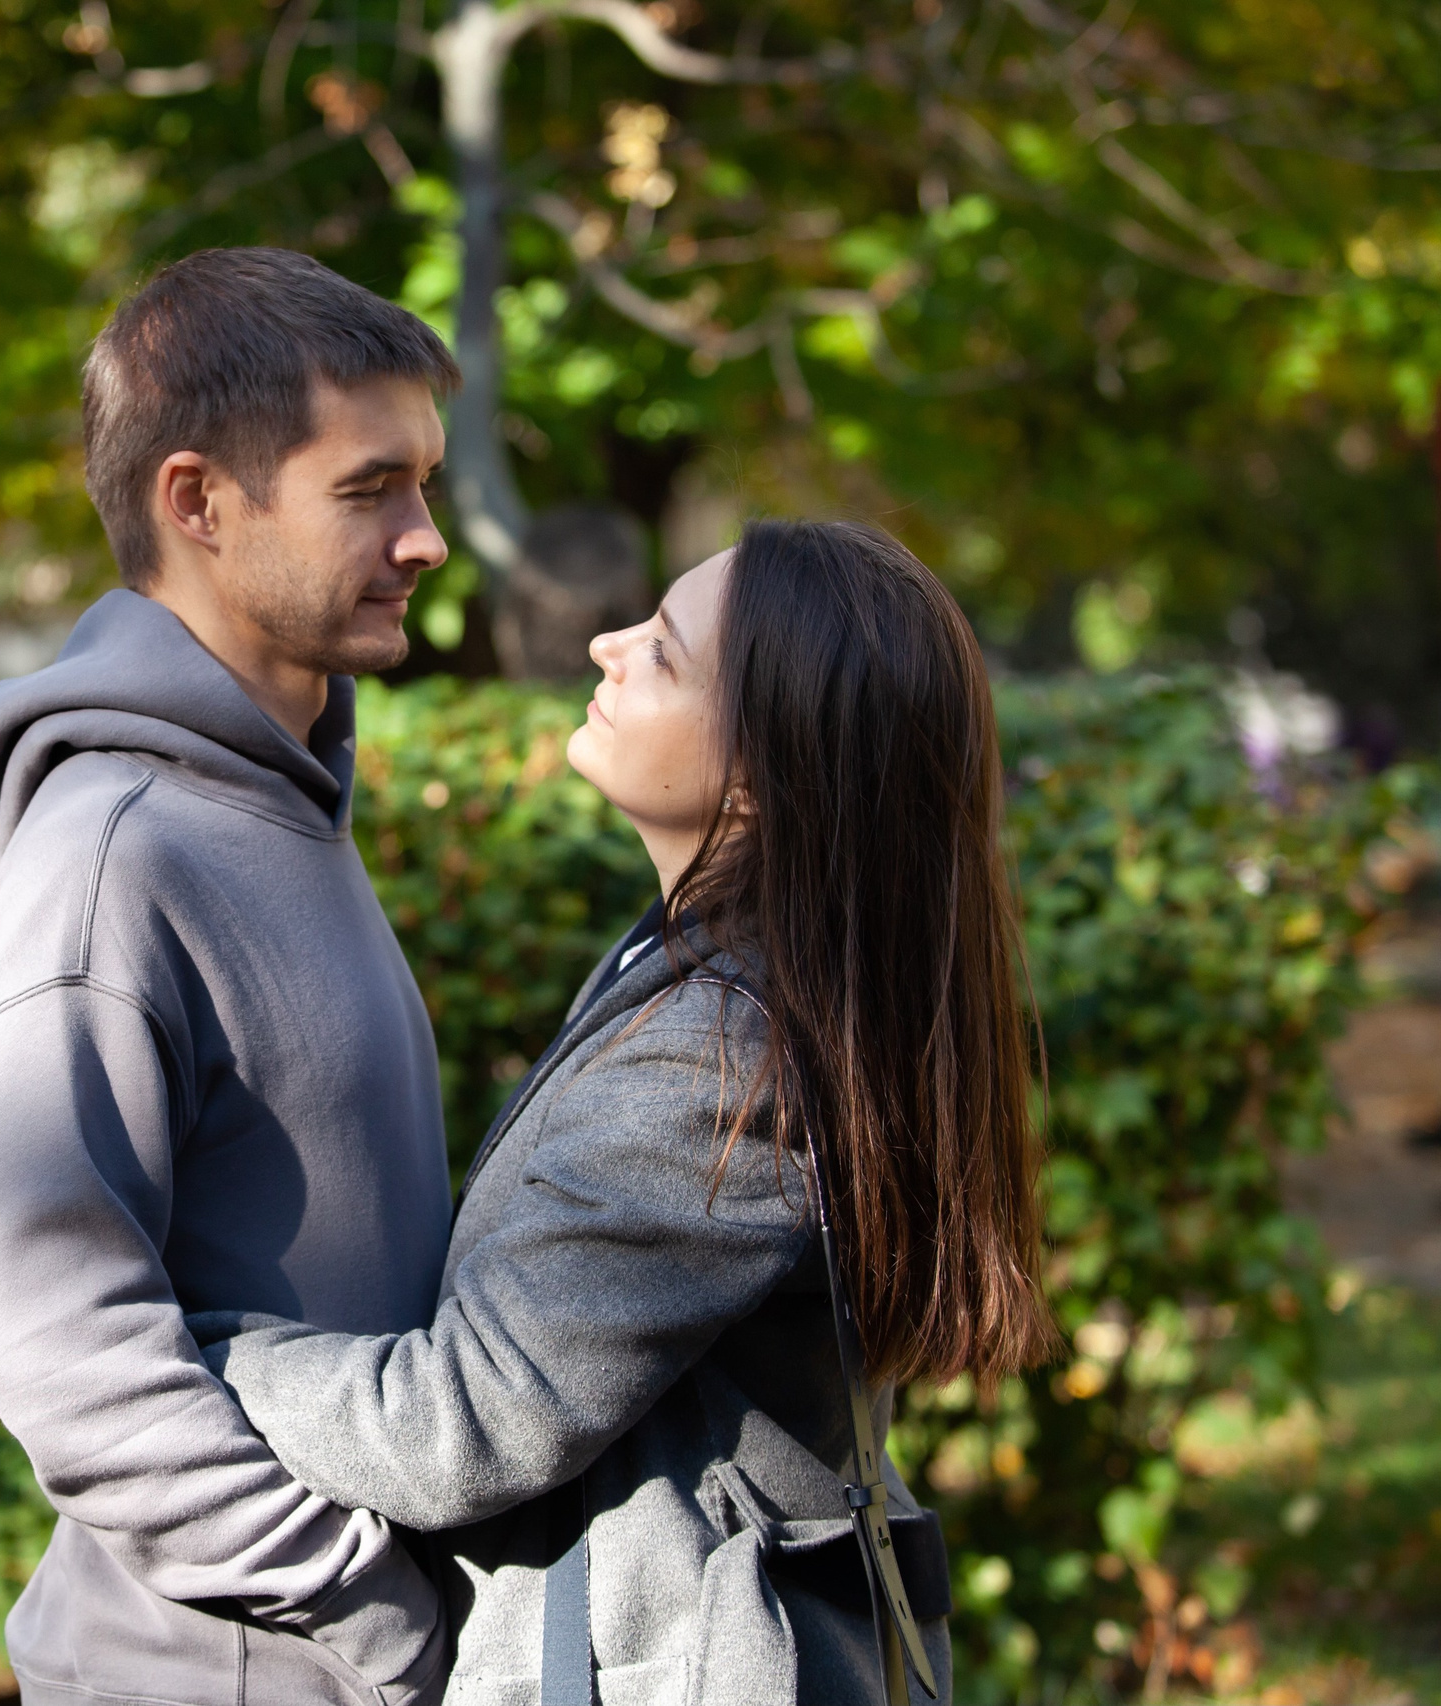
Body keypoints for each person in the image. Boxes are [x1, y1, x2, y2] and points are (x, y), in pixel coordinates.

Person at [196, 519, 1062, 1704]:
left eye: (661, 650)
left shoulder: (719, 1062)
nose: (606, 644)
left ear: (756, 774)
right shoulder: (723, 976)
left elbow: (460, 1421)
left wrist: (189, 1344)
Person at [0, 248, 463, 1705]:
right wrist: (371, 1612)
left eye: (423, 484)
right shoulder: (109, 856)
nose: (424, 538)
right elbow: (67, 1348)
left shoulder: (282, 802)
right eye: (370, 489)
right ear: (198, 502)